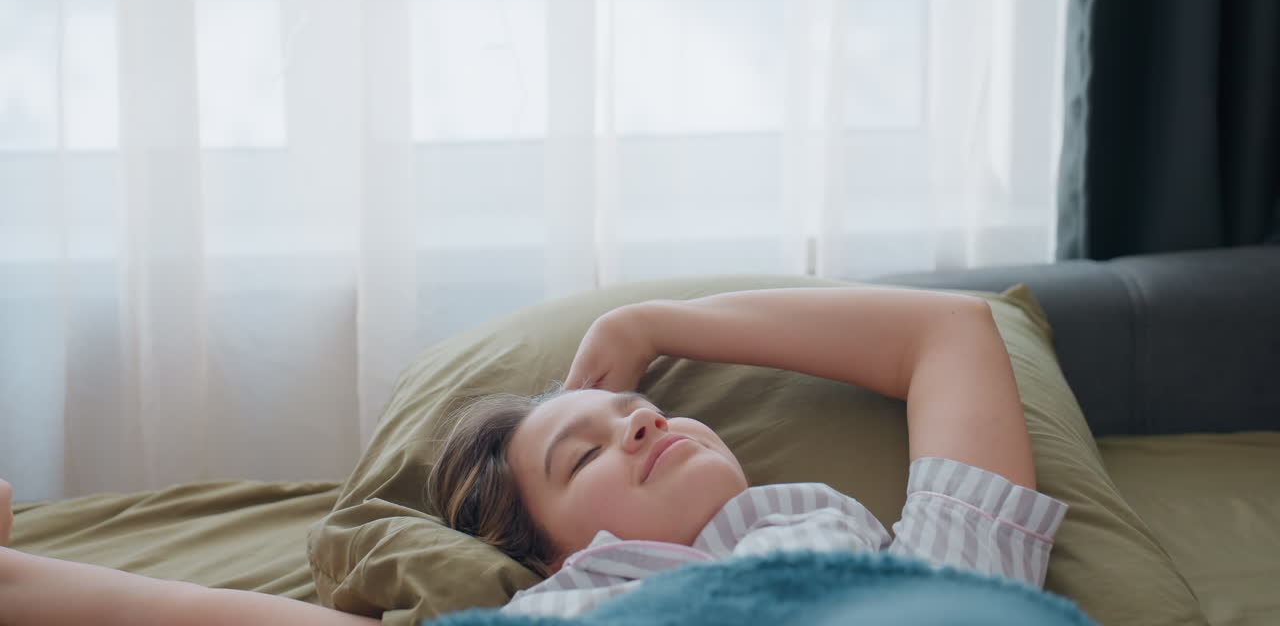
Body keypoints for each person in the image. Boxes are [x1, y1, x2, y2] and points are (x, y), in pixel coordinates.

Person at [0, 286, 1066, 625]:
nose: (638, 421)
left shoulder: (909, 564)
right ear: (557, 553)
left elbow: (950, 333)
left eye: (642, 411)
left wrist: (658, 323)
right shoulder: (569, 606)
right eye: (582, 452)